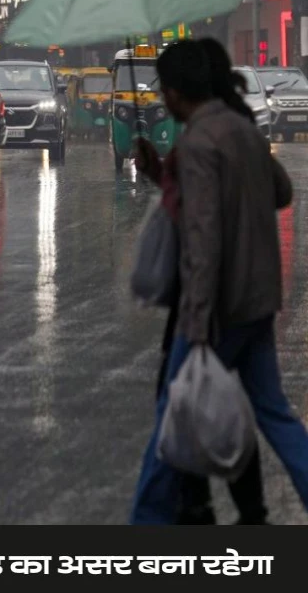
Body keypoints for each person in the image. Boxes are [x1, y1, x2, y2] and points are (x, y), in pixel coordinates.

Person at [130, 40, 306, 524]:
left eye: (164, 90)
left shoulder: (200, 143)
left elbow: (204, 237)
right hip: (258, 301)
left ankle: (145, 521)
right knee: (274, 413)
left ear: (176, 91)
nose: (162, 100)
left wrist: (198, 322)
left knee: (174, 411)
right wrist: (161, 170)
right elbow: (279, 190)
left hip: (218, 311)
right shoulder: (241, 131)